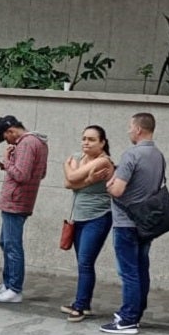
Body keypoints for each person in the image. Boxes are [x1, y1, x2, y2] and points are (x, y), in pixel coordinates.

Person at [101, 113, 166, 334]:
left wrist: (109, 183)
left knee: (128, 271)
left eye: (130, 127)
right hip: (146, 222)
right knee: (141, 268)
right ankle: (135, 313)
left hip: (126, 222)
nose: (128, 130)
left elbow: (118, 190)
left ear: (138, 129)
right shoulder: (158, 155)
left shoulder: (131, 154)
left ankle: (127, 319)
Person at [0, 114, 49, 303]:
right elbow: (41, 173)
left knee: (12, 245)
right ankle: (8, 284)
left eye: (5, 136)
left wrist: (7, 161)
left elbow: (22, 175)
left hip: (16, 201)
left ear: (11, 131)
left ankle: (14, 288)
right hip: (20, 200)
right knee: (5, 243)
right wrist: (11, 165)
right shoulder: (38, 142)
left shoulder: (26, 143)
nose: (7, 141)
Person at [59, 125, 114, 321]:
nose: (86, 143)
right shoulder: (79, 156)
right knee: (83, 263)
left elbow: (72, 177)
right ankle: (84, 302)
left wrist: (67, 167)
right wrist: (87, 180)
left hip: (98, 217)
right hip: (78, 217)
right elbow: (67, 184)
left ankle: (80, 306)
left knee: (85, 262)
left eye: (91, 139)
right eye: (84, 138)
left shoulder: (104, 162)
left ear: (102, 142)